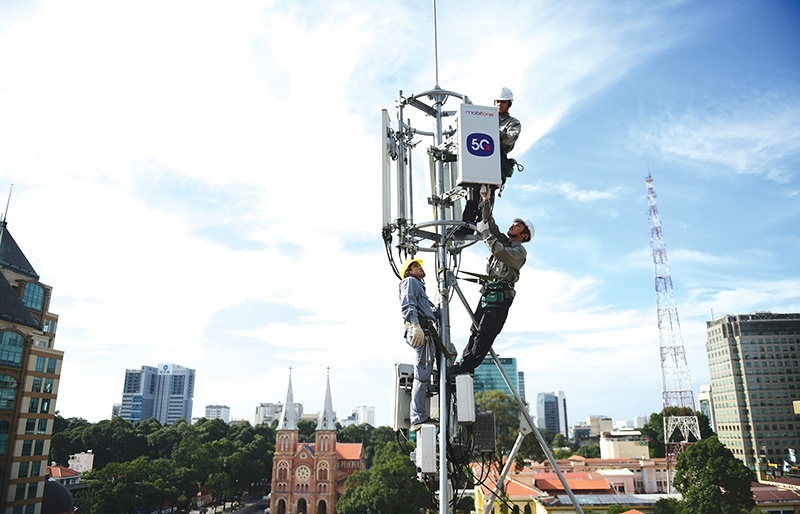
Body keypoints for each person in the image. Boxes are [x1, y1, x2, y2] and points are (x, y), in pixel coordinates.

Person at [453, 185, 533, 375]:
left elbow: (498, 250)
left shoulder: (519, 252)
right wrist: (486, 201)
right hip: (489, 293)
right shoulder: (503, 240)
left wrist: (485, 233)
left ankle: (467, 367)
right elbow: (488, 223)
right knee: (475, 330)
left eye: (518, 225)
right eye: (514, 223)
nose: (513, 225)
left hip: (500, 298)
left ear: (524, 235)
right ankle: (463, 363)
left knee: (484, 335)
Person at [457, 87, 522, 235]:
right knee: (472, 196)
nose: (499, 104)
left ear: (509, 104)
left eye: (503, 102)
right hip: (478, 158)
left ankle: (484, 228)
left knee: (486, 197)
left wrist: (492, 132)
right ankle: (466, 227)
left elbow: (510, 138)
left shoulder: (512, 123)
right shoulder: (485, 118)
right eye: (497, 101)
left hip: (495, 161)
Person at [398, 258, 440, 431]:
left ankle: (420, 416)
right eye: (415, 266)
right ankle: (418, 417)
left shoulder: (419, 286)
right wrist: (415, 325)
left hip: (426, 331)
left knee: (425, 374)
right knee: (422, 376)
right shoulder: (409, 282)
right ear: (408, 272)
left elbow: (428, 313)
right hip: (419, 330)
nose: (419, 268)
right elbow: (407, 304)